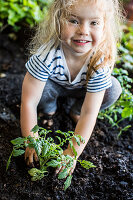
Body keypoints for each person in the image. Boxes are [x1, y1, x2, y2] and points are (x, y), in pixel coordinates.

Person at [21, 0, 124, 174]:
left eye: (94, 23)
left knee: (113, 89)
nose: (83, 30)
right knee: (41, 90)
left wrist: (71, 153)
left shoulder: (99, 61)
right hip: (54, 87)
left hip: (83, 92)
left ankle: (75, 111)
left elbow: (90, 113)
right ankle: (48, 109)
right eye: (74, 21)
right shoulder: (47, 55)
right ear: (58, 19)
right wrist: (31, 140)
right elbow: (29, 101)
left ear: (104, 26)